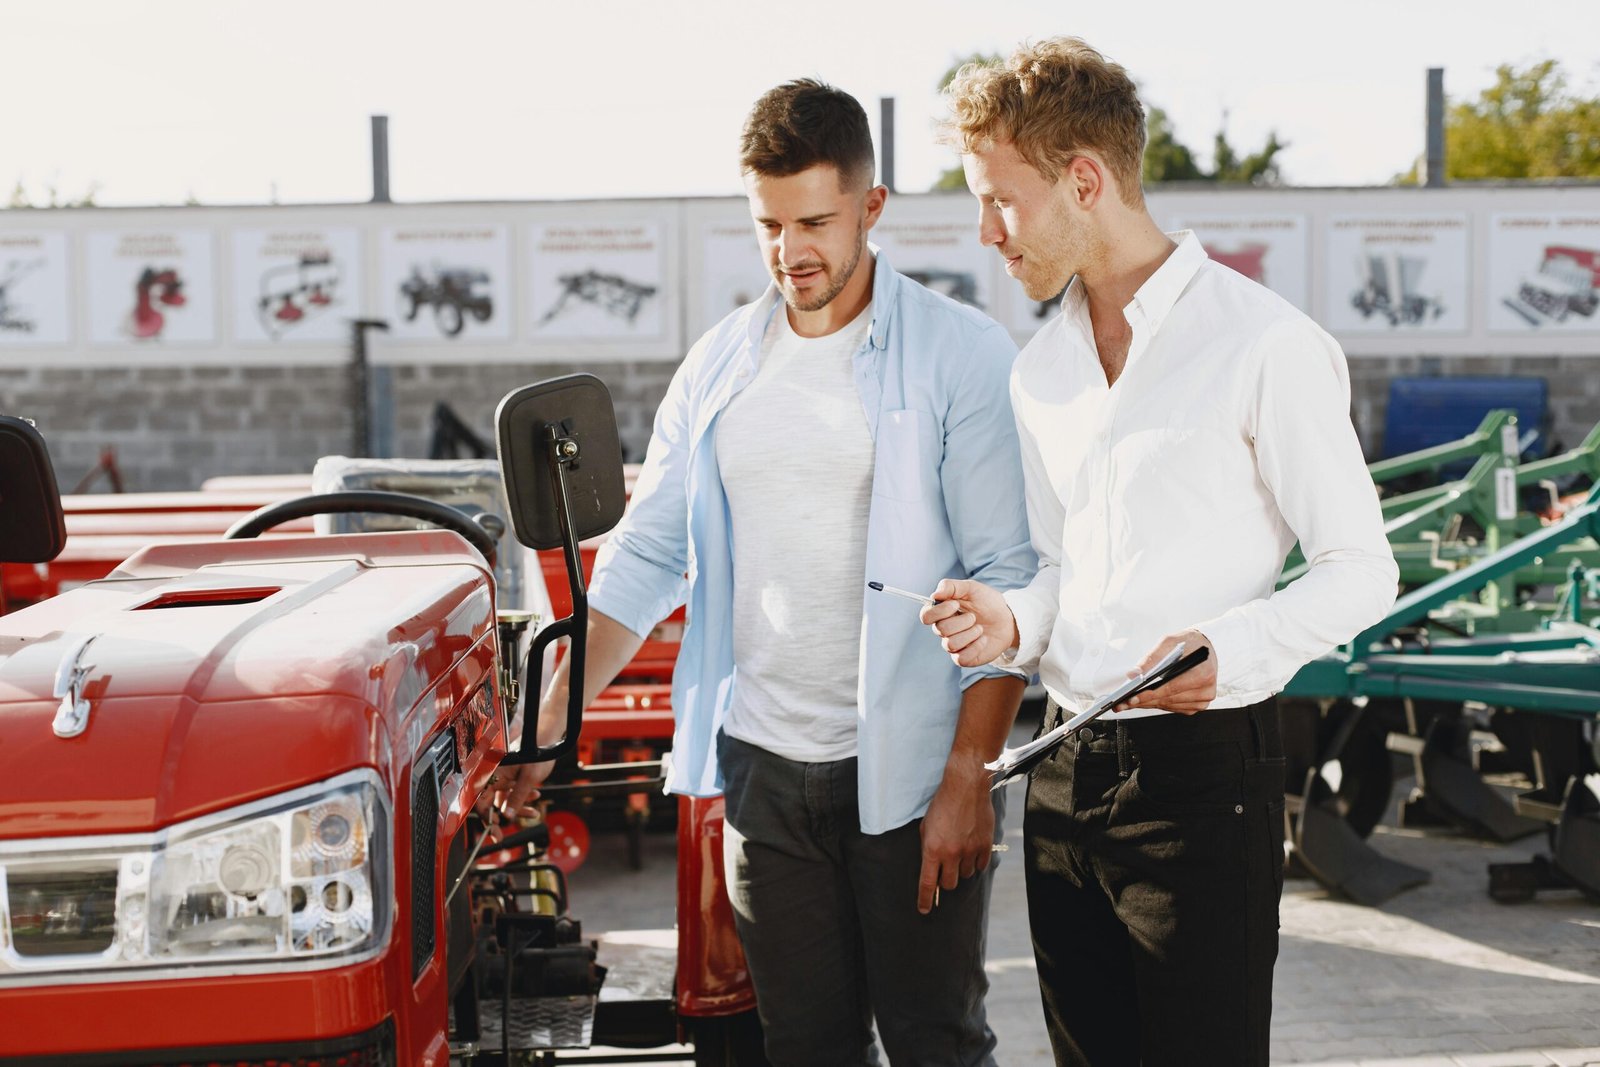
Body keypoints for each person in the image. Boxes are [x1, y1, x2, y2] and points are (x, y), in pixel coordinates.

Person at [493, 79, 1036, 1067]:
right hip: (763, 772)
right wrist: (548, 723)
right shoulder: (718, 366)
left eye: (816, 220)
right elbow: (650, 556)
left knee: (936, 1042)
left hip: (916, 772)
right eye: (769, 224)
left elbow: (1007, 576)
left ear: (872, 208)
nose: (792, 251)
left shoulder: (961, 354)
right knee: (803, 1046)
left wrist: (970, 775)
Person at [922, 39, 1400, 1067]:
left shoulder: (1262, 342)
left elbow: (1362, 564)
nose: (985, 233)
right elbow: (1057, 569)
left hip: (1201, 786)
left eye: (999, 200)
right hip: (1058, 777)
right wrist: (1011, 619)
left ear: (1082, 180)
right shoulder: (1038, 368)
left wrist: (1226, 649)